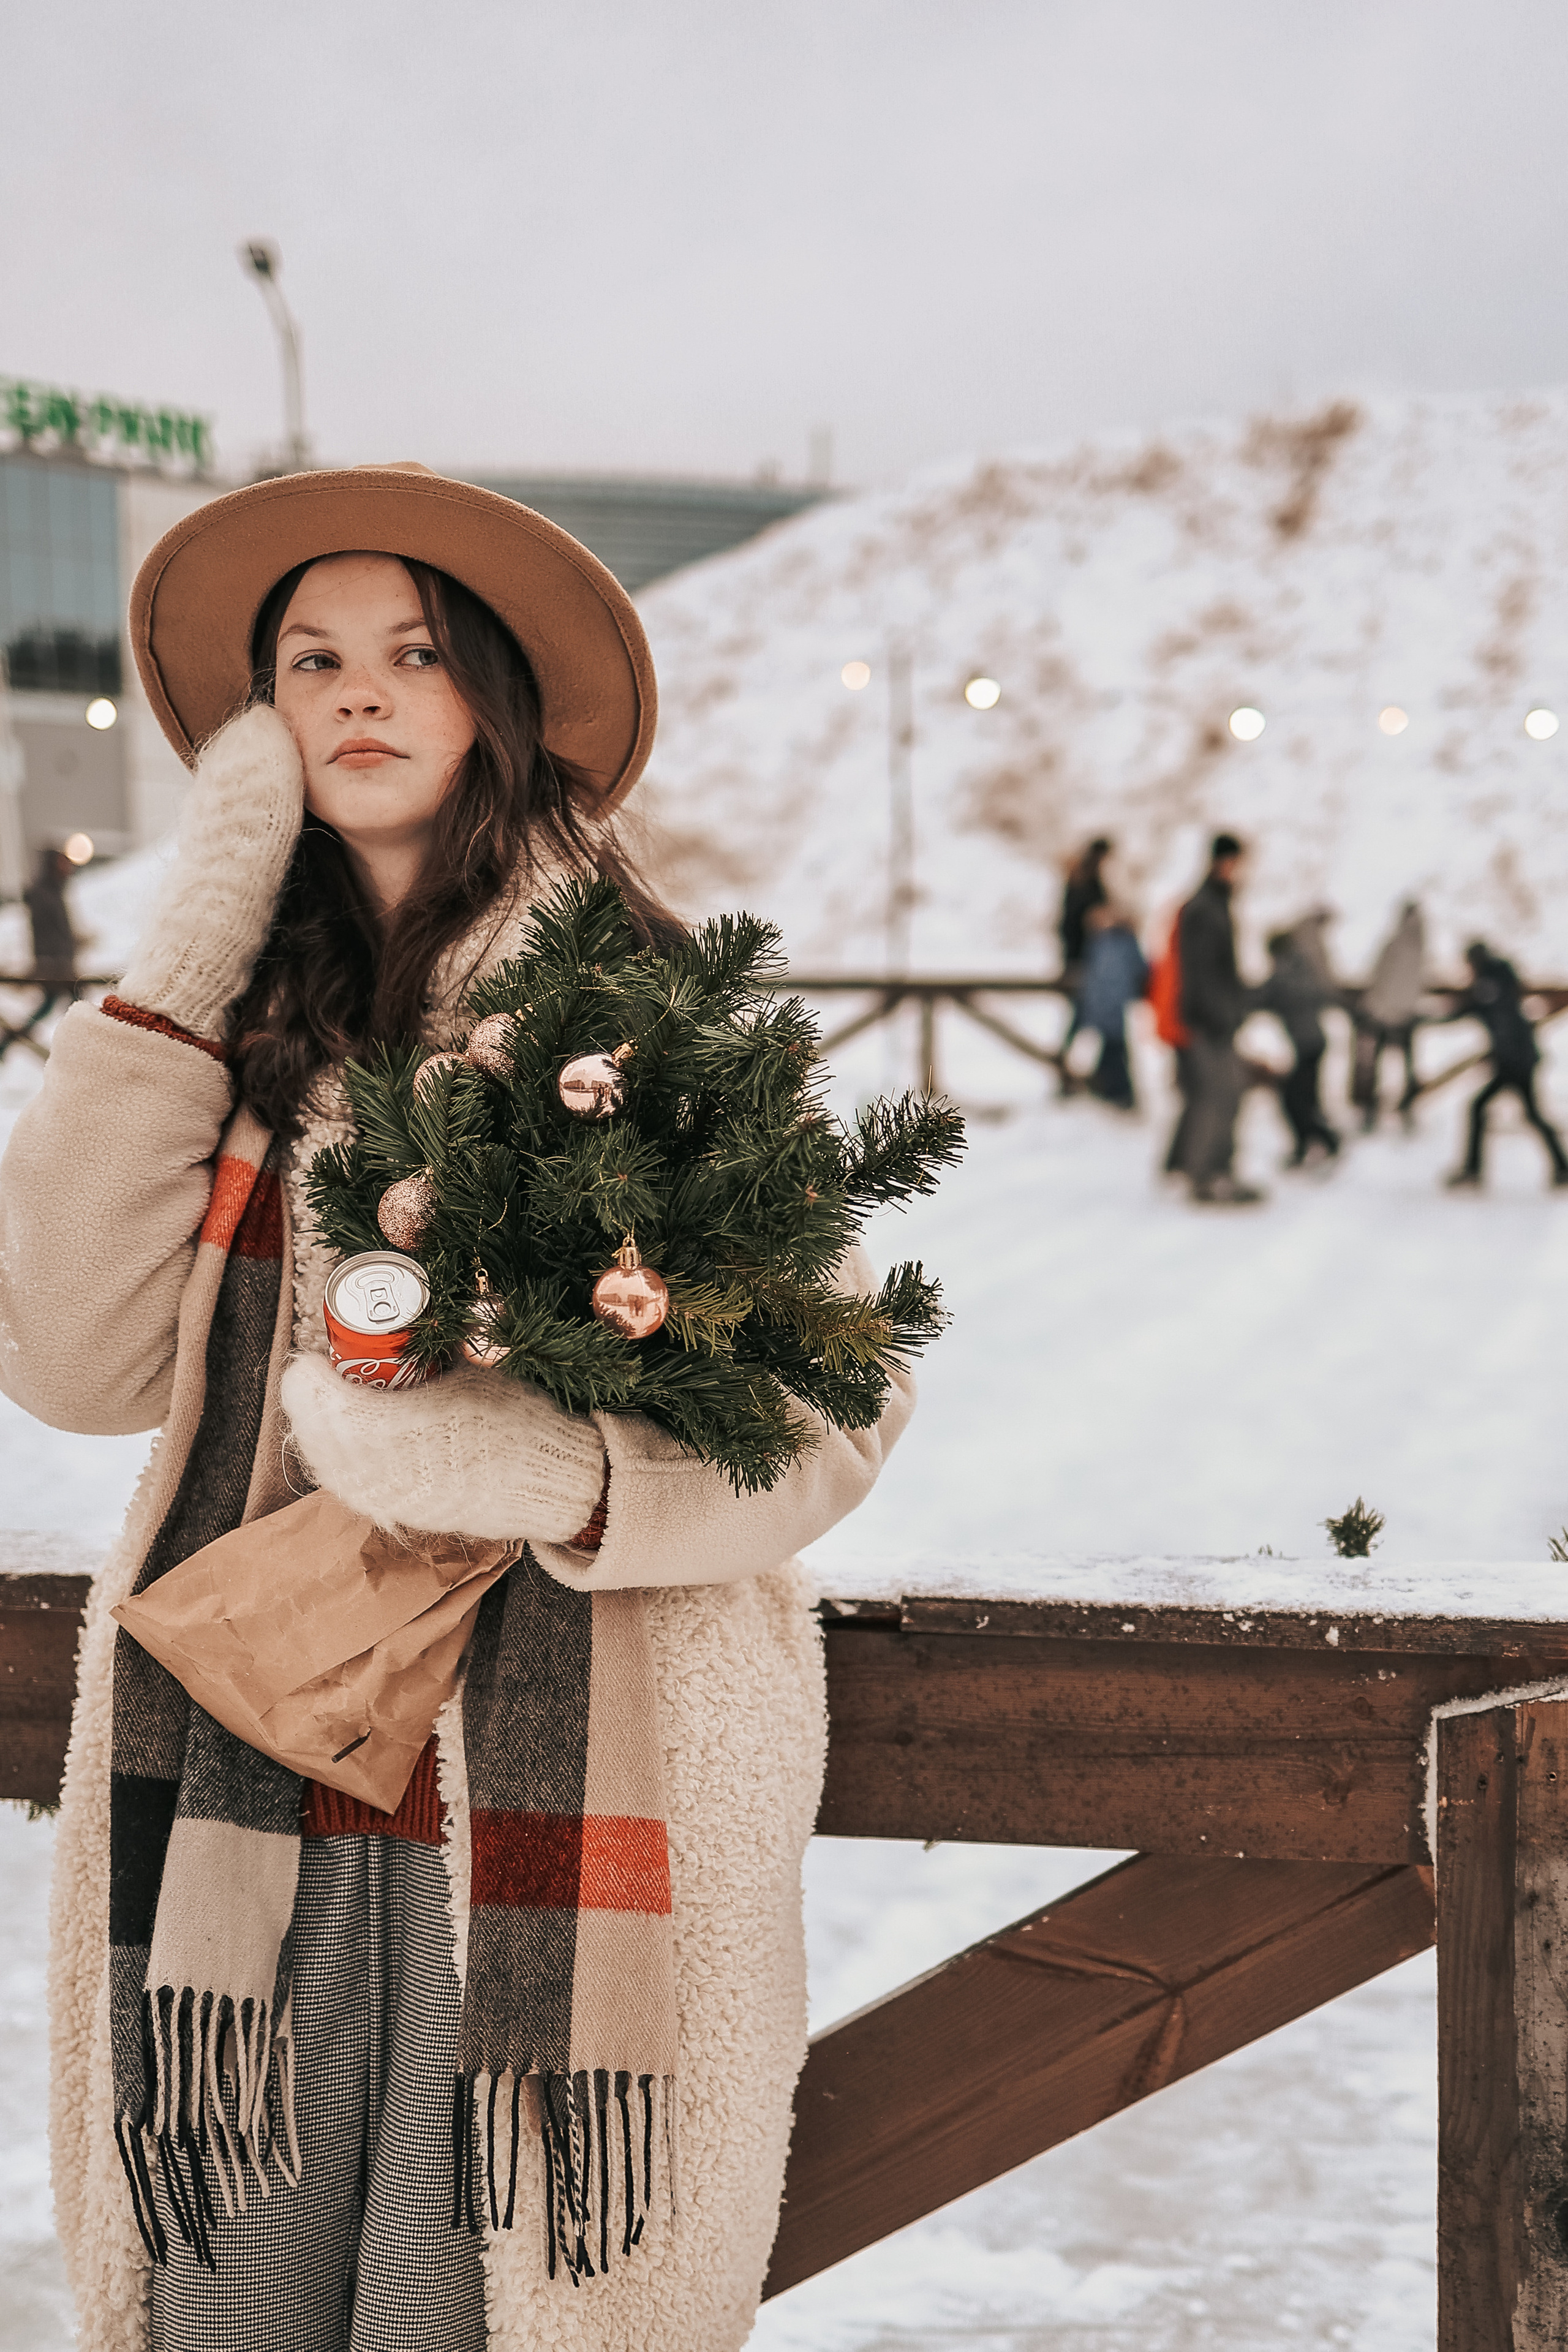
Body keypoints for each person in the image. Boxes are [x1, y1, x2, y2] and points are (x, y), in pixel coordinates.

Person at [0, 466, 914, 2352]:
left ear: (493, 694)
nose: (358, 690)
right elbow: (72, 1353)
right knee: (226, 2294)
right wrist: (186, 954)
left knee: (482, 2310)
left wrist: (564, 1470)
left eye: (413, 650)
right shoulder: (245, 1030)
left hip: (551, 1793)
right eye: (310, 658)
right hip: (250, 1776)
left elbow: (833, 1396)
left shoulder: (644, 1019)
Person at [1166, 832, 1262, 1205]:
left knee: (1214, 1095)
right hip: (1210, 1022)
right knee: (1221, 1097)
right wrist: (1222, 1016)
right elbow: (1203, 972)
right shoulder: (1206, 908)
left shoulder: (1213, 903)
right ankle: (1210, 1176)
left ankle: (1195, 1167)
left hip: (1212, 1018)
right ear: (1225, 862)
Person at [1441, 938, 1568, 1189]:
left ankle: (1473, 1170)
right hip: (1517, 1058)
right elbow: (1472, 1010)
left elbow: (1490, 1012)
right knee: (1530, 1114)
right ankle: (1562, 1167)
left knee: (1482, 1108)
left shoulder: (1490, 986)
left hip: (1516, 1061)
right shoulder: (1494, 983)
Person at [1254, 924, 1340, 1166]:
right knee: (1305, 1098)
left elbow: (1261, 997)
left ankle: (1323, 1141)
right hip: (1316, 1041)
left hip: (1307, 1044)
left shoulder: (1283, 972)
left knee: (1293, 1099)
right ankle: (1315, 1143)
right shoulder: (1303, 967)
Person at [1353, 900, 1424, 1131]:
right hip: (1407, 1015)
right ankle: (1407, 1107)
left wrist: (1373, 1006)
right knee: (1407, 1066)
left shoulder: (1394, 944)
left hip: (1384, 1014)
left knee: (1377, 1064)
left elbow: (1379, 975)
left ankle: (1371, 1110)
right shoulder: (1422, 948)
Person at [1076, 902, 1148, 1109]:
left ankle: (1113, 1090)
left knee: (1112, 1049)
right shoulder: (1122, 943)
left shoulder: (1100, 942)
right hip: (1113, 1006)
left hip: (1104, 1004)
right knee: (1115, 1050)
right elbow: (1139, 970)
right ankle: (1119, 1092)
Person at [1055, 836, 1112, 1087]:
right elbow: (1081, 922)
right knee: (1084, 1019)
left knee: (1082, 1020)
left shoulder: (1080, 879)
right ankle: (1067, 1073)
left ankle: (1069, 1072)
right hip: (1086, 961)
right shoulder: (1086, 882)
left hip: (1082, 959)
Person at [21, 843, 83, 1027]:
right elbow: (47, 931)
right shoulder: (42, 893)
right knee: (75, 1004)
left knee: (65, 1004)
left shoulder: (55, 891)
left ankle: (8, 1042)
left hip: (60, 961)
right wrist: (54, 959)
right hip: (54, 963)